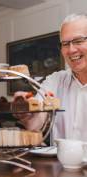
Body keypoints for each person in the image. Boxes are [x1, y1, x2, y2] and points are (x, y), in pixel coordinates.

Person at [14, 13, 87, 142]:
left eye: (78, 41)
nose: (71, 50)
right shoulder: (55, 80)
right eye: (65, 44)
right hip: (59, 162)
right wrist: (25, 112)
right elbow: (35, 125)